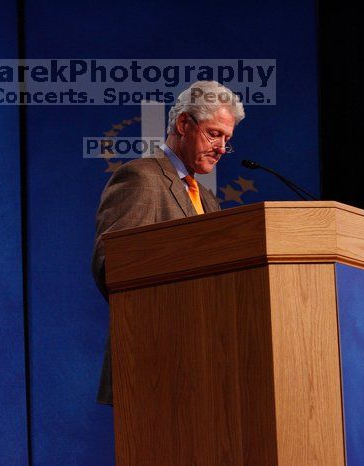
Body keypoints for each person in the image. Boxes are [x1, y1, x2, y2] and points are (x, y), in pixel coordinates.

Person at [91, 80, 246, 405]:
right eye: (214, 133)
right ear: (183, 123)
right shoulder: (141, 178)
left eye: (227, 140)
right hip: (153, 361)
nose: (221, 147)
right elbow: (112, 267)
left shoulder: (206, 197)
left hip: (203, 362)